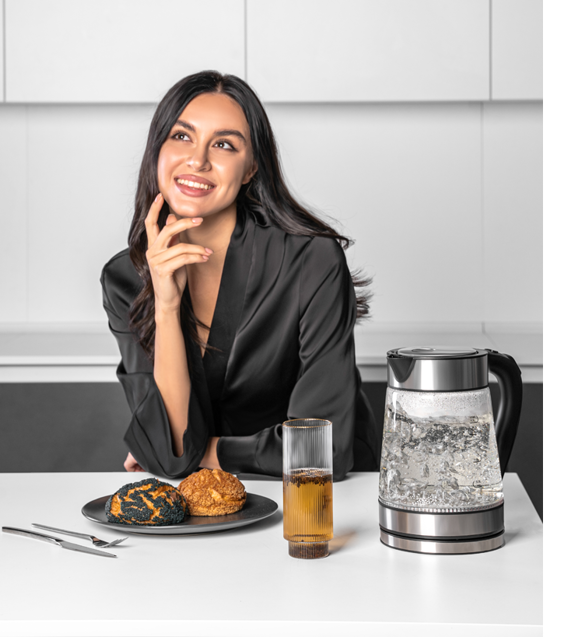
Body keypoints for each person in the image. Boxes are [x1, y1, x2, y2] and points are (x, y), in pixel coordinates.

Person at [100, 70, 378, 481]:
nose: (198, 160)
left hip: (319, 496)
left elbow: (322, 449)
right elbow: (172, 448)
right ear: (157, 150)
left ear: (250, 169)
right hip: (205, 501)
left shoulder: (311, 260)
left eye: (224, 144)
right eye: (181, 136)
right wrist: (167, 307)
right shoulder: (126, 277)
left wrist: (206, 451)